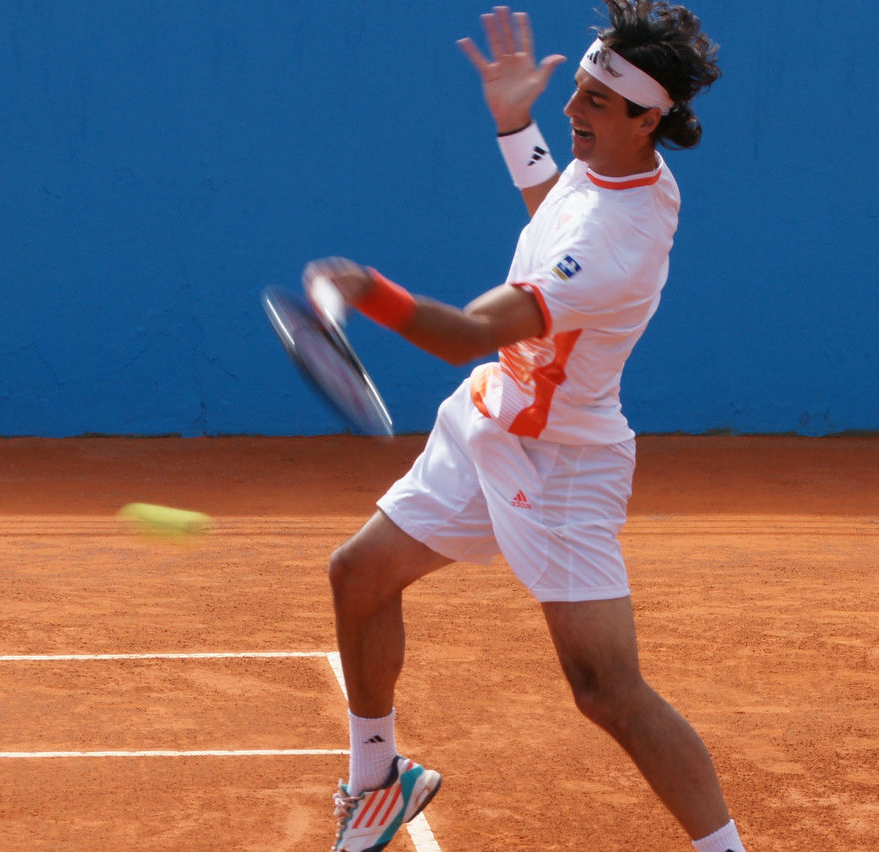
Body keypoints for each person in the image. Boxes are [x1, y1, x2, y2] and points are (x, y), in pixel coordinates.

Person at [309, 4, 741, 852]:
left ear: (647, 116)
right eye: (574, 91)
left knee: (605, 689)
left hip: (563, 461)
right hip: (491, 419)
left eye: (592, 102)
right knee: (359, 575)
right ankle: (378, 781)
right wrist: (515, 122)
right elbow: (555, 209)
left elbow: (466, 332)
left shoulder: (617, 239)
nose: (573, 110)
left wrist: (370, 291)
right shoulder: (619, 168)